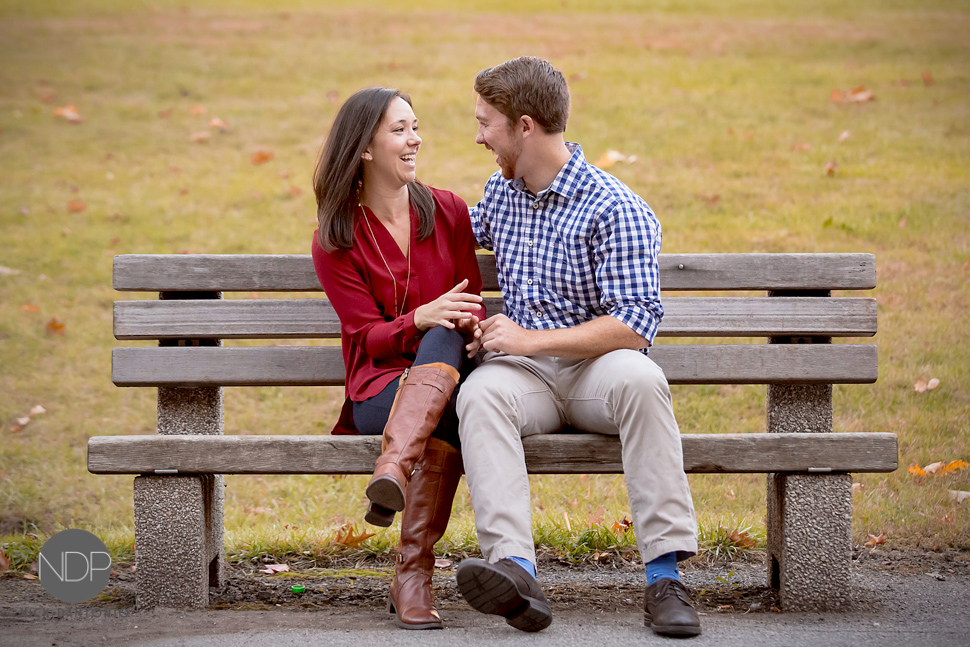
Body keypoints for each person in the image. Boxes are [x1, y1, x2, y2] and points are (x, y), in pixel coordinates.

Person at [453, 57, 702, 637]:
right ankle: (514, 573)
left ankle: (664, 578)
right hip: (526, 380)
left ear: (523, 126)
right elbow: (443, 229)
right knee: (482, 393)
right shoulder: (503, 192)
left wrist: (528, 338)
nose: (479, 136)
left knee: (643, 379)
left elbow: (636, 326)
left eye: (486, 122)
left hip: (599, 375)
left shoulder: (616, 208)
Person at [310, 87, 485, 630]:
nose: (415, 140)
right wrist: (420, 318)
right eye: (400, 130)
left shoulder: (447, 211)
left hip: (449, 369)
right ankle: (413, 573)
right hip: (377, 389)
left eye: (416, 127)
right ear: (364, 147)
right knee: (447, 390)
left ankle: (393, 472)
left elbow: (468, 301)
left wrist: (459, 325)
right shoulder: (336, 238)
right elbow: (366, 337)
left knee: (447, 338)